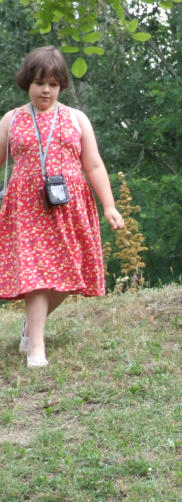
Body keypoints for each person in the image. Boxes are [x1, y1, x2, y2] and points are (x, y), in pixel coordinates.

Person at [0, 46, 125, 368]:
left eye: (53, 84)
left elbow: (94, 165)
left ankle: (32, 326)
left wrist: (109, 206)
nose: (46, 90)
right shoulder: (12, 119)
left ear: (62, 86)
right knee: (36, 275)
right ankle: (36, 347)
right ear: (27, 82)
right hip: (26, 209)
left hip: (69, 207)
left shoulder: (76, 118)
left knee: (72, 273)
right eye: (39, 82)